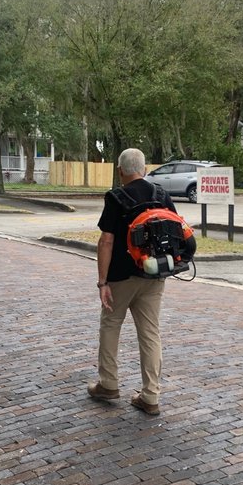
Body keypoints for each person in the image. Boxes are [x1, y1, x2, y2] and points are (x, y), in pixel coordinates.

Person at [87, 148, 177, 416]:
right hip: (153, 274)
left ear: (120, 171)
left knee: (111, 324)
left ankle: (108, 383)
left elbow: (106, 240)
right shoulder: (161, 194)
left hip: (120, 277)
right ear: (145, 169)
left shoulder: (116, 197)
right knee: (150, 332)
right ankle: (150, 395)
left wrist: (102, 282)